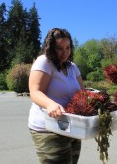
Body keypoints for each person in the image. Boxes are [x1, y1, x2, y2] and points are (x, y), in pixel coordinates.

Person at [28, 28, 84, 164]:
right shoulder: (44, 62)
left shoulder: (72, 67)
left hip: (70, 126)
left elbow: (82, 93)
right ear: (51, 47)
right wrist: (50, 104)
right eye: (59, 48)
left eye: (68, 47)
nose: (65, 53)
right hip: (48, 128)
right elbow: (35, 92)